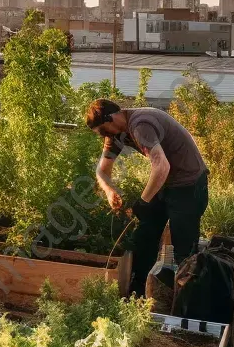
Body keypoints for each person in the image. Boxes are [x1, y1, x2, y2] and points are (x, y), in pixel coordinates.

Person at [86, 98, 209, 298]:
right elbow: (102, 171)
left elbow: (162, 166)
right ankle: (139, 291)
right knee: (144, 235)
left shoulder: (140, 124)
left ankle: (186, 302)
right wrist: (109, 191)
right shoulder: (117, 132)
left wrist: (143, 202)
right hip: (167, 183)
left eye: (103, 131)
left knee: (184, 250)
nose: (104, 136)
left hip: (189, 184)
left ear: (111, 117)